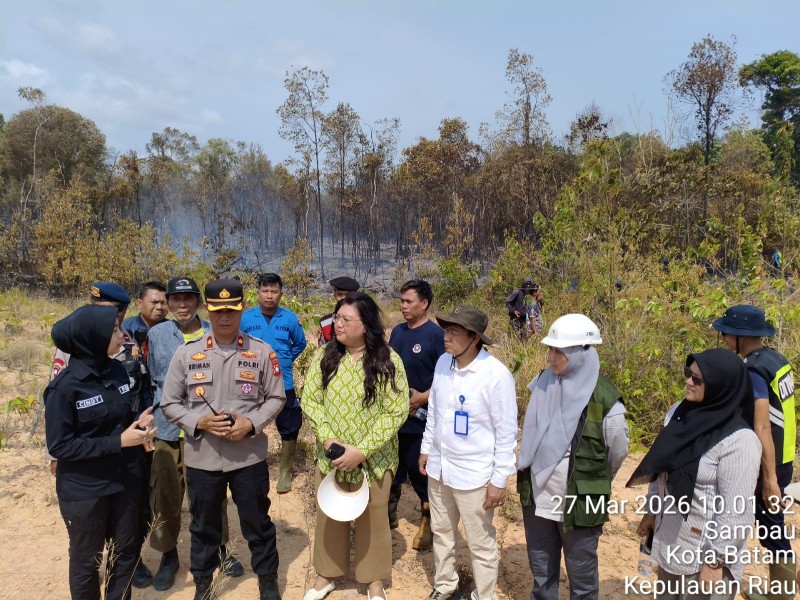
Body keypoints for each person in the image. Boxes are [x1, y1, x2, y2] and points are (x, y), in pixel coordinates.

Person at [161, 278, 286, 600]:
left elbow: (276, 398)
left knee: (257, 522)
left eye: (232, 310)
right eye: (218, 311)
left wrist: (251, 423)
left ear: (242, 308)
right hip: (202, 457)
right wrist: (197, 421)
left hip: (247, 457)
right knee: (203, 526)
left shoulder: (262, 352)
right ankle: (203, 583)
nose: (225, 317)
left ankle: (267, 581)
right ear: (208, 310)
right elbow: (169, 402)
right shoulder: (187, 354)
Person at [44, 304, 157, 600]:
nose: (122, 335)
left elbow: (116, 422)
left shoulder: (117, 371)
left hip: (124, 481)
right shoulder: (65, 388)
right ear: (92, 337)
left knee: (125, 552)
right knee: (86, 560)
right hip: (86, 490)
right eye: (115, 330)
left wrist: (138, 425)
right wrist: (119, 441)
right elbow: (59, 445)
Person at [629, 349, 762, 600]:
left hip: (706, 557)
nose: (688, 382)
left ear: (720, 386)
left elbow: (737, 512)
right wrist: (651, 510)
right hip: (672, 541)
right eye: (688, 374)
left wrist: (714, 563)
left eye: (697, 379)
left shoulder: (739, 441)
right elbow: (662, 467)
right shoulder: (678, 414)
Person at [301, 292, 409, 600]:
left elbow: (396, 410)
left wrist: (362, 450)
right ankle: (326, 576)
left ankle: (374, 581)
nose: (338, 324)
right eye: (337, 317)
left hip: (374, 457)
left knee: (373, 518)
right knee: (330, 514)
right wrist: (327, 438)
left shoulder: (389, 360)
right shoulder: (325, 357)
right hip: (331, 456)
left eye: (346, 319)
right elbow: (311, 400)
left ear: (366, 325)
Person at [141, 276, 244, 591]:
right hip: (168, 428)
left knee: (211, 496)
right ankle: (169, 555)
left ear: (199, 302)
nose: (182, 305)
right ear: (168, 302)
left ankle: (221, 548)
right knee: (165, 495)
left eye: (188, 299)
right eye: (175, 299)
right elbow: (153, 382)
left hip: (209, 430)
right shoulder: (157, 334)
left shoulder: (215, 331)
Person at [517, 313, 629, 600]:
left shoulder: (605, 399)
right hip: (539, 498)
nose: (551, 357)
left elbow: (616, 452)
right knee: (542, 577)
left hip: (581, 501)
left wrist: (591, 479)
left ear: (579, 354)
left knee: (583, 581)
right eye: (550, 349)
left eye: (558, 351)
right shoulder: (543, 383)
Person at [420, 305, 517, 600]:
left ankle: (484, 595)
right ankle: (445, 583)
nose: (445, 336)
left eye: (453, 331)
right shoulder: (442, 364)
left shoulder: (495, 375)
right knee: (442, 532)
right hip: (440, 468)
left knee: (480, 542)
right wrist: (427, 449)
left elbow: (506, 433)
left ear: (474, 338)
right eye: (446, 329)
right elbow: (434, 412)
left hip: (474, 475)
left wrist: (499, 479)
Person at [712, 305, 797, 600]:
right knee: (771, 523)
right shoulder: (777, 359)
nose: (722, 337)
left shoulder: (754, 370)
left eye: (725, 333)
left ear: (739, 336)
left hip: (768, 462)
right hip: (784, 454)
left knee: (770, 527)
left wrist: (770, 478)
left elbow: (762, 426)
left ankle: (783, 595)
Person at [387, 279, 444, 551]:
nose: (404, 306)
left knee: (418, 469)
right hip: (394, 415)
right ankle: (389, 512)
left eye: (409, 301)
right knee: (393, 466)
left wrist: (423, 397)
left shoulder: (436, 336)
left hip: (423, 417)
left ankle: (427, 520)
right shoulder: (397, 332)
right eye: (401, 301)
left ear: (425, 304)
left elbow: (447, 379)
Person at [120, 280, 168, 589]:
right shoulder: (121, 333)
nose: (160, 307)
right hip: (125, 425)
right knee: (127, 498)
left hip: (158, 420)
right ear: (140, 302)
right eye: (154, 302)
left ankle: (153, 551)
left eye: (164, 302)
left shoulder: (172, 332)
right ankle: (129, 559)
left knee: (150, 494)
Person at [240, 272, 308, 493]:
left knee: (289, 427)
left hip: (283, 381)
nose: (269, 296)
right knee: (250, 422)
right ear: (258, 292)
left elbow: (300, 342)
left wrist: (285, 359)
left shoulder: (288, 318)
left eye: (274, 291)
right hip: (253, 382)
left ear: (281, 294)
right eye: (265, 291)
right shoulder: (246, 318)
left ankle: (285, 472)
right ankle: (248, 465)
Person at [317, 276, 360, 344]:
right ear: (335, 296)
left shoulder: (365, 320)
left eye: (348, 295)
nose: (344, 298)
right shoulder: (325, 323)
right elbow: (322, 349)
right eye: (340, 295)